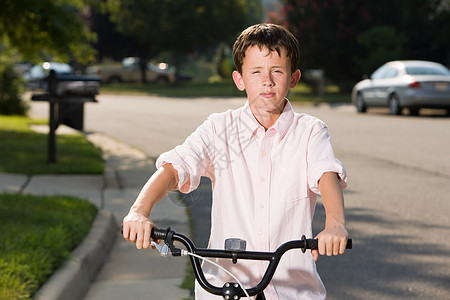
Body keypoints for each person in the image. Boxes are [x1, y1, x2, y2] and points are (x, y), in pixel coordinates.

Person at [122, 23, 349, 299]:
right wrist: (139, 211)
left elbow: (325, 173)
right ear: (239, 79)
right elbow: (176, 166)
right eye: (256, 72)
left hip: (292, 290)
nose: (267, 80)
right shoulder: (219, 129)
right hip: (221, 285)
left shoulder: (310, 131)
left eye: (277, 71)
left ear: (293, 78)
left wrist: (335, 223)